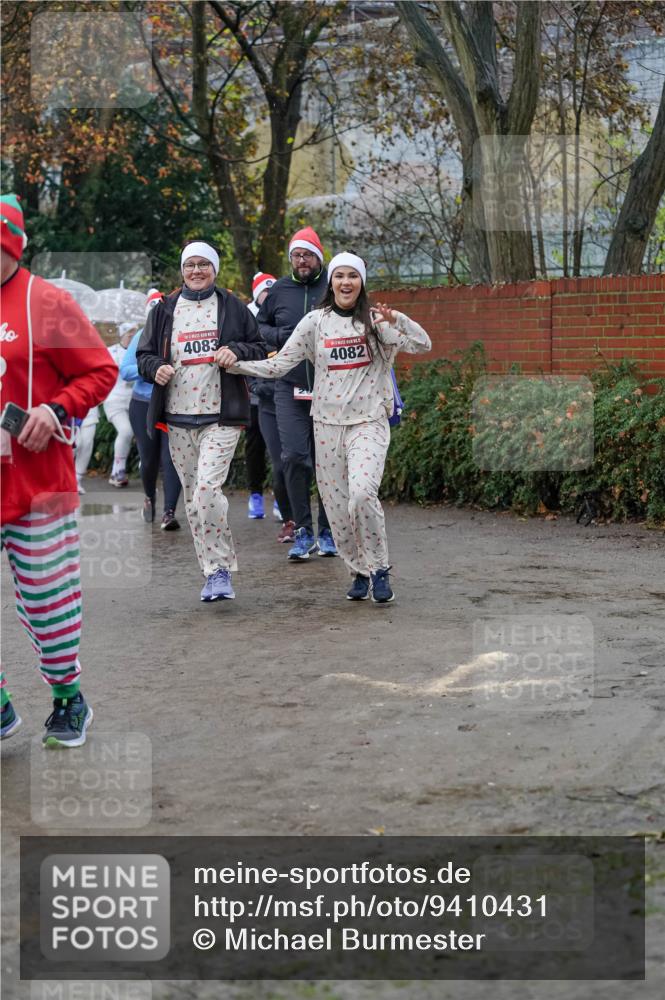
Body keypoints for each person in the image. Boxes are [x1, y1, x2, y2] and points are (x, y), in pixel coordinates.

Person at [220, 251, 431, 603]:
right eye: (339, 276)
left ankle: (380, 568)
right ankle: (358, 572)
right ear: (330, 282)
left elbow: (423, 344)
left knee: (362, 494)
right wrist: (234, 365)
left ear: (361, 282)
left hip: (368, 423)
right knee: (335, 508)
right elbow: (279, 365)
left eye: (352, 276)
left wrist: (400, 321)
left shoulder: (377, 322)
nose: (345, 282)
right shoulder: (315, 323)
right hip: (327, 425)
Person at [0, 193, 117, 744]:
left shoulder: (46, 303)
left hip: (37, 485)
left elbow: (100, 371)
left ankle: (69, 698)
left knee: (49, 603)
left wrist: (54, 409)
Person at [136, 241, 266, 601]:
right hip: (177, 418)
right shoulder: (164, 310)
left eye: (203, 265)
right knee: (195, 500)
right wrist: (155, 368)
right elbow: (143, 355)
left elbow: (258, 347)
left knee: (208, 490)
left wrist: (236, 351)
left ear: (215, 269)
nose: (196, 271)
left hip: (221, 416)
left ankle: (221, 569)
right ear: (182, 270)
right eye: (190, 265)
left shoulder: (233, 307)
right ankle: (212, 572)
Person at [255, 227, 337, 560]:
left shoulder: (334, 287)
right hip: (288, 387)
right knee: (293, 458)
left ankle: (329, 531)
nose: (302, 261)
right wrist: (281, 335)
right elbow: (258, 327)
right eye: (296, 255)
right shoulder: (280, 291)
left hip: (330, 389)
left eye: (308, 255)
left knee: (329, 464)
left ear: (319, 257)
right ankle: (303, 531)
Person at [120, 290, 182, 530]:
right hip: (143, 404)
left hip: (172, 404)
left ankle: (169, 512)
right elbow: (125, 371)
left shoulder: (179, 333)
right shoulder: (141, 335)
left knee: (172, 459)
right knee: (149, 460)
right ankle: (149, 496)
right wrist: (153, 369)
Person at [247, 271, 295, 541]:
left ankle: (316, 524)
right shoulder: (254, 328)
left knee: (299, 462)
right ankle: (289, 520)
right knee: (277, 463)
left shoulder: (295, 325)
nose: (269, 301)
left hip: (297, 402)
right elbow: (242, 359)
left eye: (273, 296)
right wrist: (254, 386)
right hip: (265, 403)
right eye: (263, 297)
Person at [244, 272, 273, 520]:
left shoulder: (281, 313)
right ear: (256, 294)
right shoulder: (245, 315)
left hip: (279, 391)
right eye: (265, 291)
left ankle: (281, 496)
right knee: (255, 446)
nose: (269, 296)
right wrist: (250, 385)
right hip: (253, 393)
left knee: (281, 448)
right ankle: (255, 494)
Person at [104, 321, 136, 487]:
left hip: (134, 399)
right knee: (126, 431)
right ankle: (118, 471)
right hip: (114, 400)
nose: (132, 334)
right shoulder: (111, 352)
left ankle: (144, 469)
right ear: (121, 333)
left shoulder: (139, 350)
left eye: (134, 331)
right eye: (128, 331)